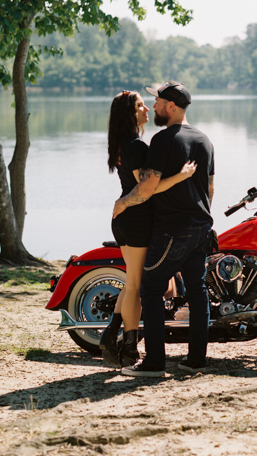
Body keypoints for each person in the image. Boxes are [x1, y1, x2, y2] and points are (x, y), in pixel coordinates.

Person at [113, 81, 214, 378]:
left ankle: (154, 362)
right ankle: (196, 360)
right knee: (197, 291)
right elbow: (209, 188)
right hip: (201, 226)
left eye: (157, 101)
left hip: (172, 228)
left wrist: (123, 202)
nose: (153, 106)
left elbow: (147, 188)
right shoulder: (204, 140)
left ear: (171, 106)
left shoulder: (163, 140)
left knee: (151, 288)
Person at [100, 90, 196, 369]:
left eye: (145, 105)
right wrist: (182, 176)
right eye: (140, 106)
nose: (146, 109)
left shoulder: (123, 144)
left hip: (125, 219)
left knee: (133, 282)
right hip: (138, 220)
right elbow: (148, 189)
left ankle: (110, 336)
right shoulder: (137, 147)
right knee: (136, 286)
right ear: (129, 114)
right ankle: (129, 348)